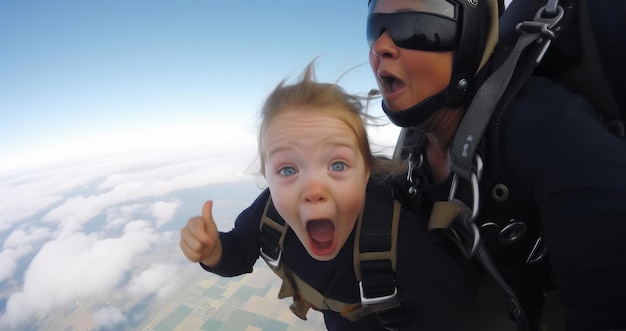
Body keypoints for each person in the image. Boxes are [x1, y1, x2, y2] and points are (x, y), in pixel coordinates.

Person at [366, 0, 626, 330]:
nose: (381, 46)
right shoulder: (413, 148)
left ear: (471, 37)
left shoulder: (546, 129)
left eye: (416, 27)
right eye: (375, 30)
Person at [179, 61, 485, 330]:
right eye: (287, 170)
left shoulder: (405, 245)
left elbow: (455, 309)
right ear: (267, 177)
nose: (313, 191)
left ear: (365, 172)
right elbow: (238, 254)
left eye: (337, 165)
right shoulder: (269, 215)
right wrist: (214, 250)